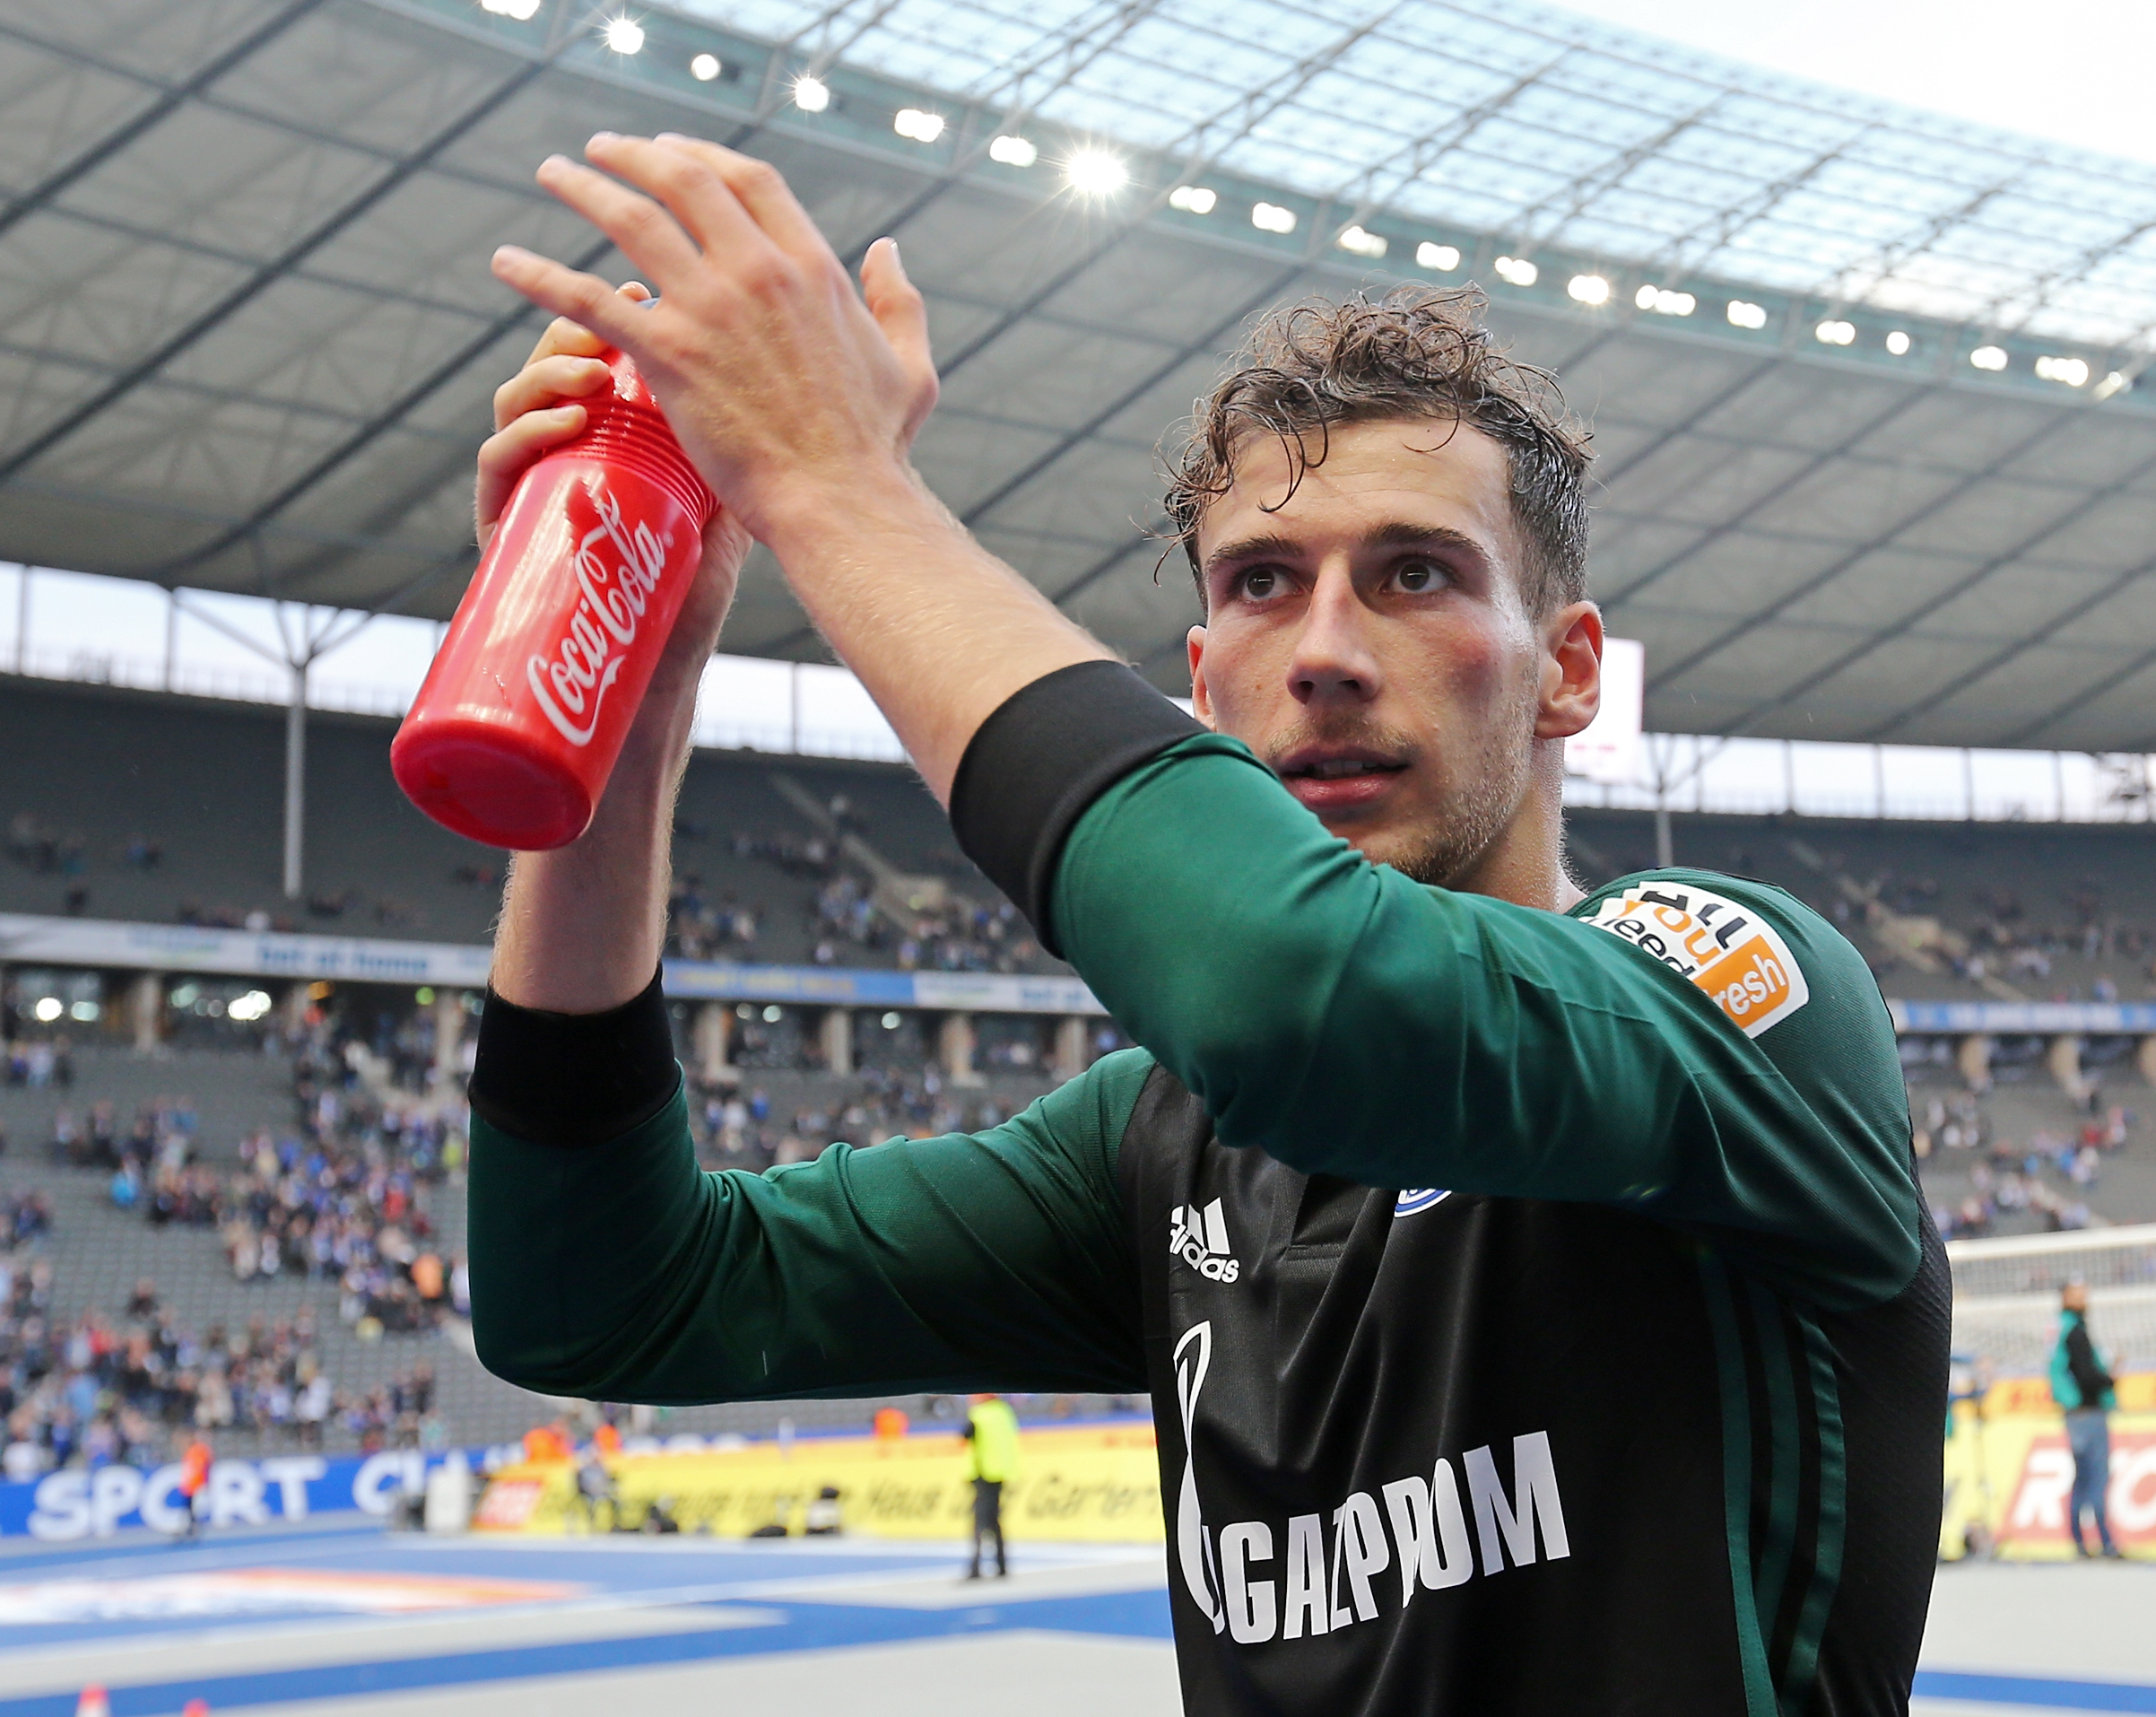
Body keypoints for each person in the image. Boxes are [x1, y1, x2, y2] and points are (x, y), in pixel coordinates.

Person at [463, 135, 1947, 1714]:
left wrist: (833, 486)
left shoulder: (1747, 1001)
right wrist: (623, 704)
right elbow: (607, 1297)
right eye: (1259, 585)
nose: (1324, 652)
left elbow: (1294, 987)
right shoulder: (1158, 1146)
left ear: (1568, 667)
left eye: (1416, 574)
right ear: (1197, 673)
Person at [2050, 1283, 2120, 1558]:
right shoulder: (2075, 1332)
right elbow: (2087, 1373)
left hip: (2072, 1413)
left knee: (2080, 1478)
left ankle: (2078, 1541)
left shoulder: (2057, 1329)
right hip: (2088, 1412)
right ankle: (2106, 1542)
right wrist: (2110, 1380)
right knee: (2097, 1478)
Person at [963, 1393, 1018, 1580]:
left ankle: (975, 1567)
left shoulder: (980, 1415)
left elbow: (965, 1434)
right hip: (999, 1473)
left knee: (980, 1523)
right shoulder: (1004, 1413)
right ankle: (1001, 1565)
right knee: (994, 1522)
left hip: (984, 1473)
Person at [178, 1433, 214, 1540]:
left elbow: (205, 1467)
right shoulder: (191, 1451)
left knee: (195, 1509)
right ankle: (191, 1528)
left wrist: (205, 1483)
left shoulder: (202, 1450)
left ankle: (194, 1529)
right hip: (189, 1486)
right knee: (189, 1509)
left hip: (197, 1485)